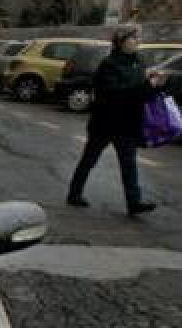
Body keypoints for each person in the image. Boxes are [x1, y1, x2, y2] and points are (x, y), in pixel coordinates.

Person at [67, 29, 165, 215]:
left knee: (129, 165)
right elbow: (115, 94)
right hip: (105, 122)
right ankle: (75, 193)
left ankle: (134, 202)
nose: (137, 40)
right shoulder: (109, 64)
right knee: (89, 160)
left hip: (128, 123)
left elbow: (142, 95)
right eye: (133, 38)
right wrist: (145, 86)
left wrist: (156, 85)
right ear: (121, 41)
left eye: (138, 37)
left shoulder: (139, 62)